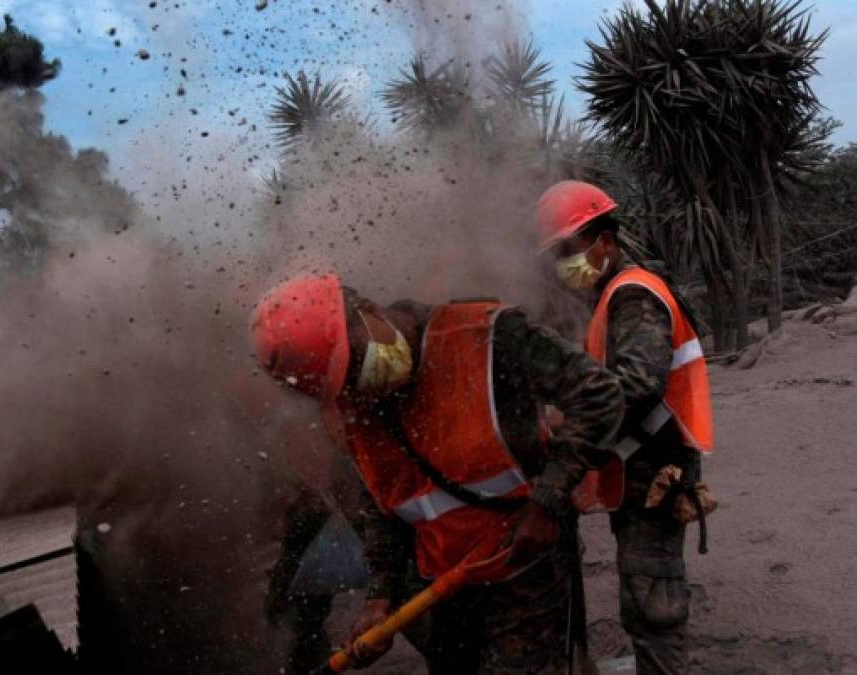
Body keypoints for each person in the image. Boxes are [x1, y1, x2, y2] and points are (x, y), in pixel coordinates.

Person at [251, 273, 624, 674]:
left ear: (367, 310)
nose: (361, 383)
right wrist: (381, 597)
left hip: (526, 570)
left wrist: (547, 501)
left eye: (356, 360)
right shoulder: (356, 409)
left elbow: (600, 396)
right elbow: (382, 505)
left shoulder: (485, 337)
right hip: (447, 585)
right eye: (344, 381)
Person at [536, 180, 716, 675]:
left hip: (656, 471)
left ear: (605, 242)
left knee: (652, 601)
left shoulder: (633, 295)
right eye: (556, 254)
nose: (562, 265)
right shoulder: (614, 294)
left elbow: (637, 383)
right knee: (642, 593)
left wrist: (568, 416)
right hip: (639, 470)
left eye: (568, 251)